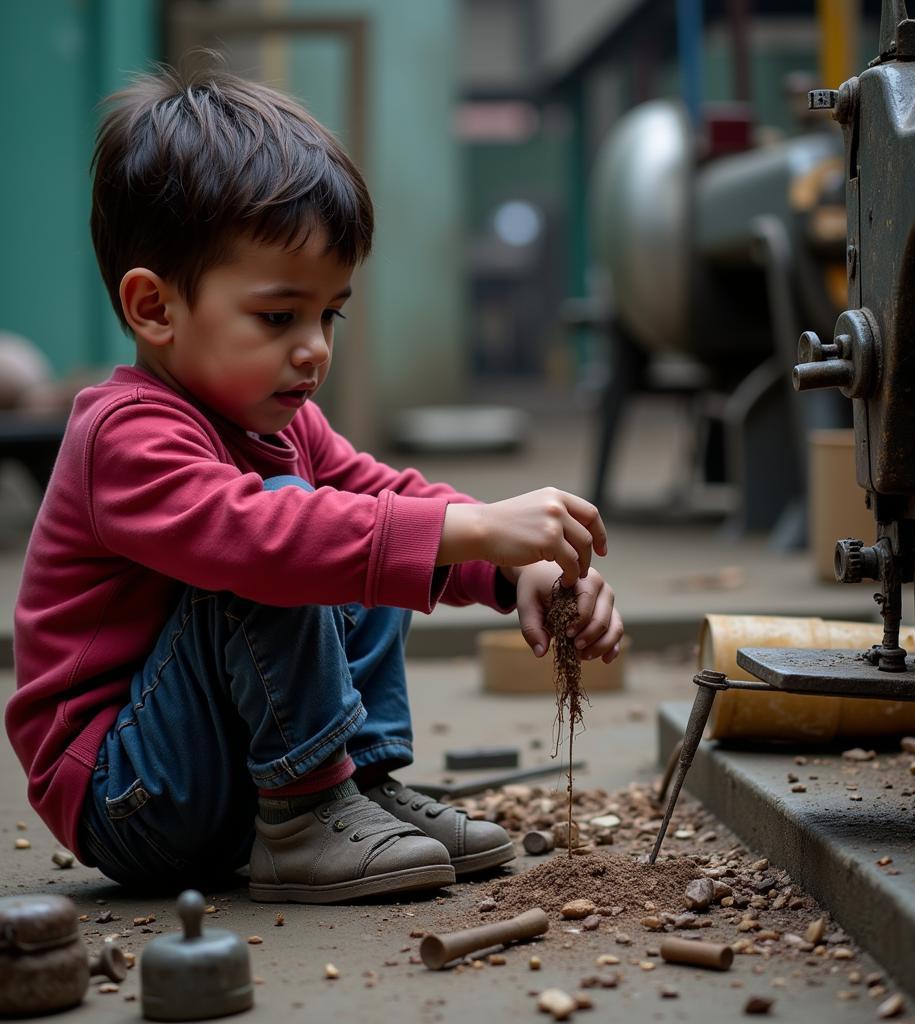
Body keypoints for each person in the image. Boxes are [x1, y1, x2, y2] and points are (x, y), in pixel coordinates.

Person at [6, 67, 623, 904]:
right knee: (286, 534)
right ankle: (305, 813)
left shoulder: (279, 424)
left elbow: (389, 498)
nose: (314, 348)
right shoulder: (123, 433)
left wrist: (522, 569)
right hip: (132, 790)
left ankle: (353, 788)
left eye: (329, 313)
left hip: (216, 769)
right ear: (155, 308)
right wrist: (470, 531)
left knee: (369, 521)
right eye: (277, 316)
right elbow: (258, 536)